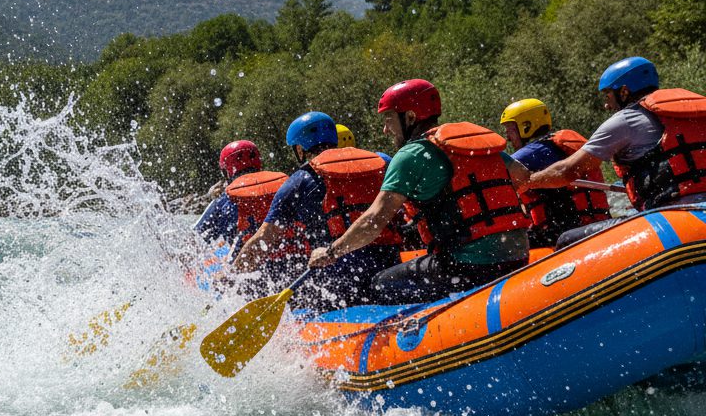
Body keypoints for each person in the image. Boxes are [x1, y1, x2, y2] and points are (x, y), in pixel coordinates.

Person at [308, 79, 530, 304]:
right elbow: (522, 176)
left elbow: (374, 221)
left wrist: (332, 252)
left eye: (388, 119)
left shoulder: (411, 155)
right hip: (518, 255)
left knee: (380, 284)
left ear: (411, 117)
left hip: (469, 267)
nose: (386, 129)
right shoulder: (468, 143)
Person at [523, 56, 706, 247]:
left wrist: (529, 181)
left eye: (608, 96)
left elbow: (567, 171)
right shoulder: (694, 116)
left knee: (566, 240)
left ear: (624, 91)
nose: (606, 105)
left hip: (672, 217)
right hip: (700, 211)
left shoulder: (625, 120)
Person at [230, 112, 400, 310]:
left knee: (293, 300)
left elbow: (264, 239)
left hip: (339, 281)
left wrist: (233, 276)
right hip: (389, 265)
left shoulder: (298, 182)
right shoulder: (381, 162)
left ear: (300, 149)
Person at [499, 98, 611, 247]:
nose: (507, 137)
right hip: (587, 224)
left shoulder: (535, 152)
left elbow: (496, 171)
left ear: (526, 126)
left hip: (565, 233)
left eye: (510, 130)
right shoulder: (552, 147)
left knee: (507, 246)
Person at [194, 140, 270, 251]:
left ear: (227, 172)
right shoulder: (283, 189)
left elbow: (197, 238)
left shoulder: (224, 201)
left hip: (243, 263)